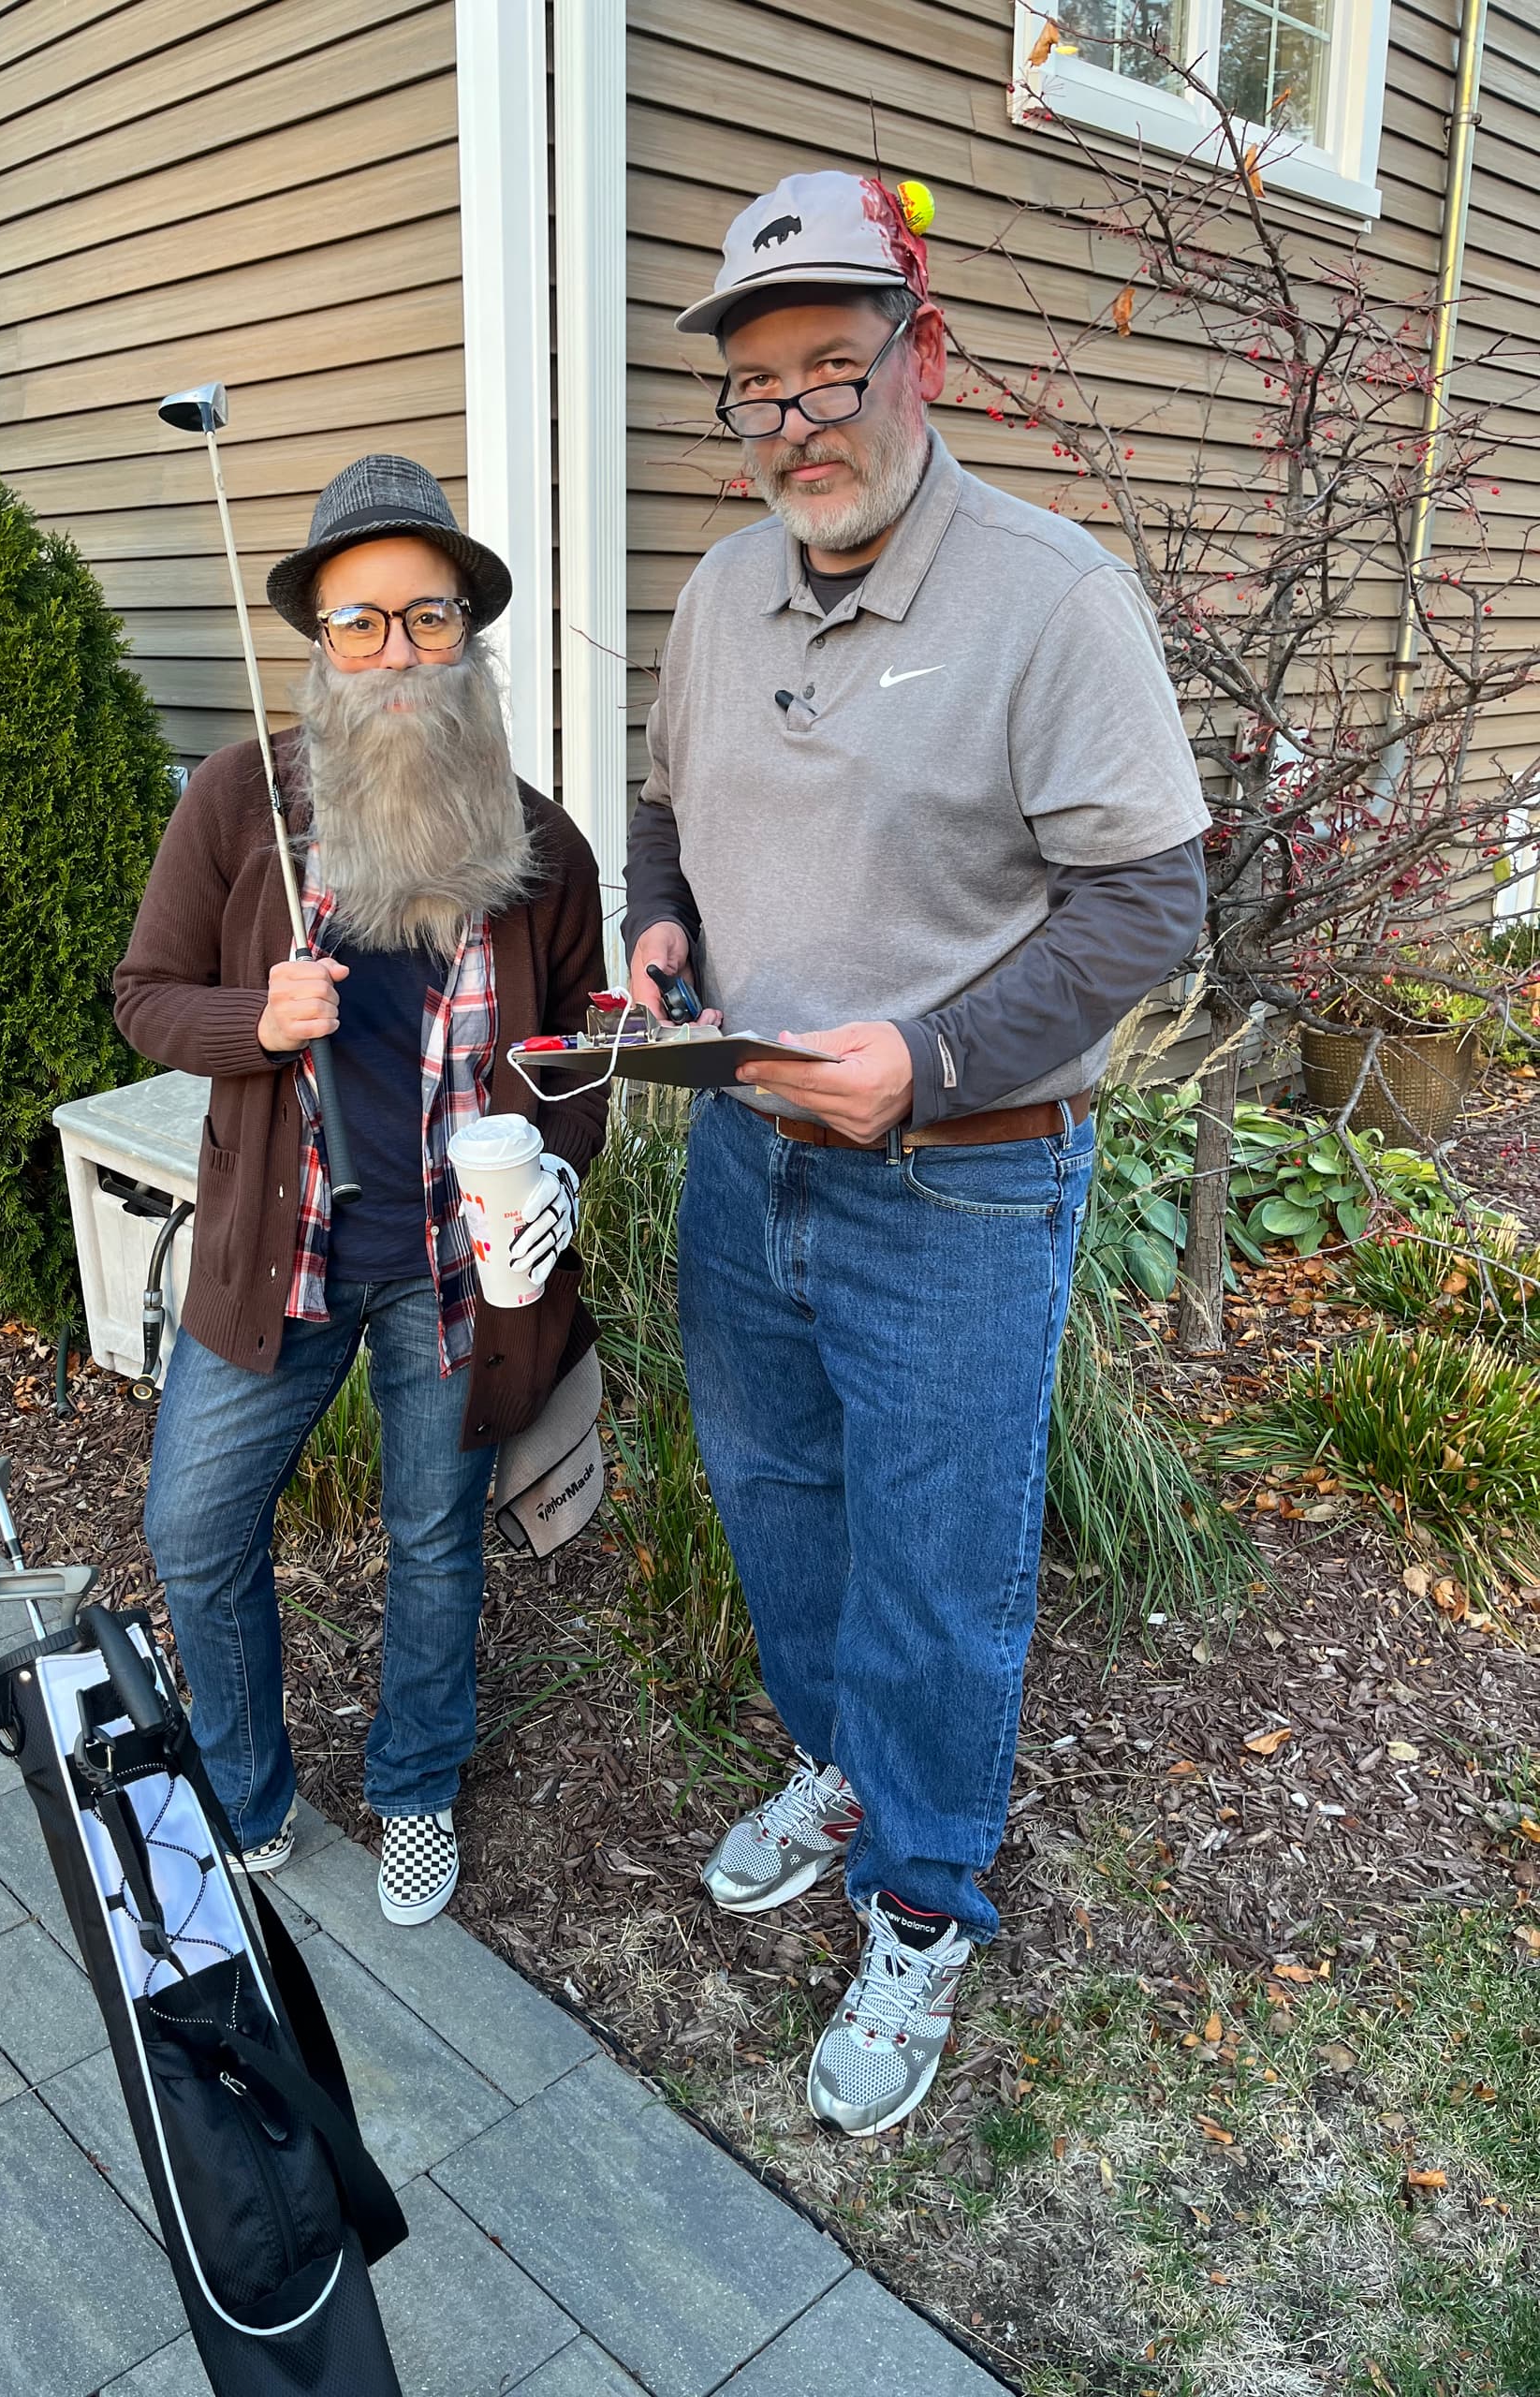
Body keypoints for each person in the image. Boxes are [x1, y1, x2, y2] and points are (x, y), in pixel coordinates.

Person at [625, 172, 1210, 2136]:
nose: (795, 419)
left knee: (944, 1570)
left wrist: (935, 1058)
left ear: (923, 354)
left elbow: (1150, 903)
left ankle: (924, 1901)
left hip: (960, 1183)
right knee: (780, 1498)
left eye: (832, 369)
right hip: (747, 1158)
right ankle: (847, 1766)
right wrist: (659, 924)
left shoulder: (1051, 598)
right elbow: (665, 804)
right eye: (756, 386)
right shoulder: (721, 592)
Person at [116, 456, 608, 1925]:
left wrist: (557, 1173)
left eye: (428, 617)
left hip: (458, 1274)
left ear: (469, 632)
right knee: (194, 1533)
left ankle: (416, 1787)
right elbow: (145, 995)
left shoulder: (542, 847)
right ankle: (247, 1792)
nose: (397, 652)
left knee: (433, 1539)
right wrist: (254, 1024)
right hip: (283, 1256)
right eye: (361, 622)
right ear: (319, 642)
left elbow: (576, 1059)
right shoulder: (242, 804)